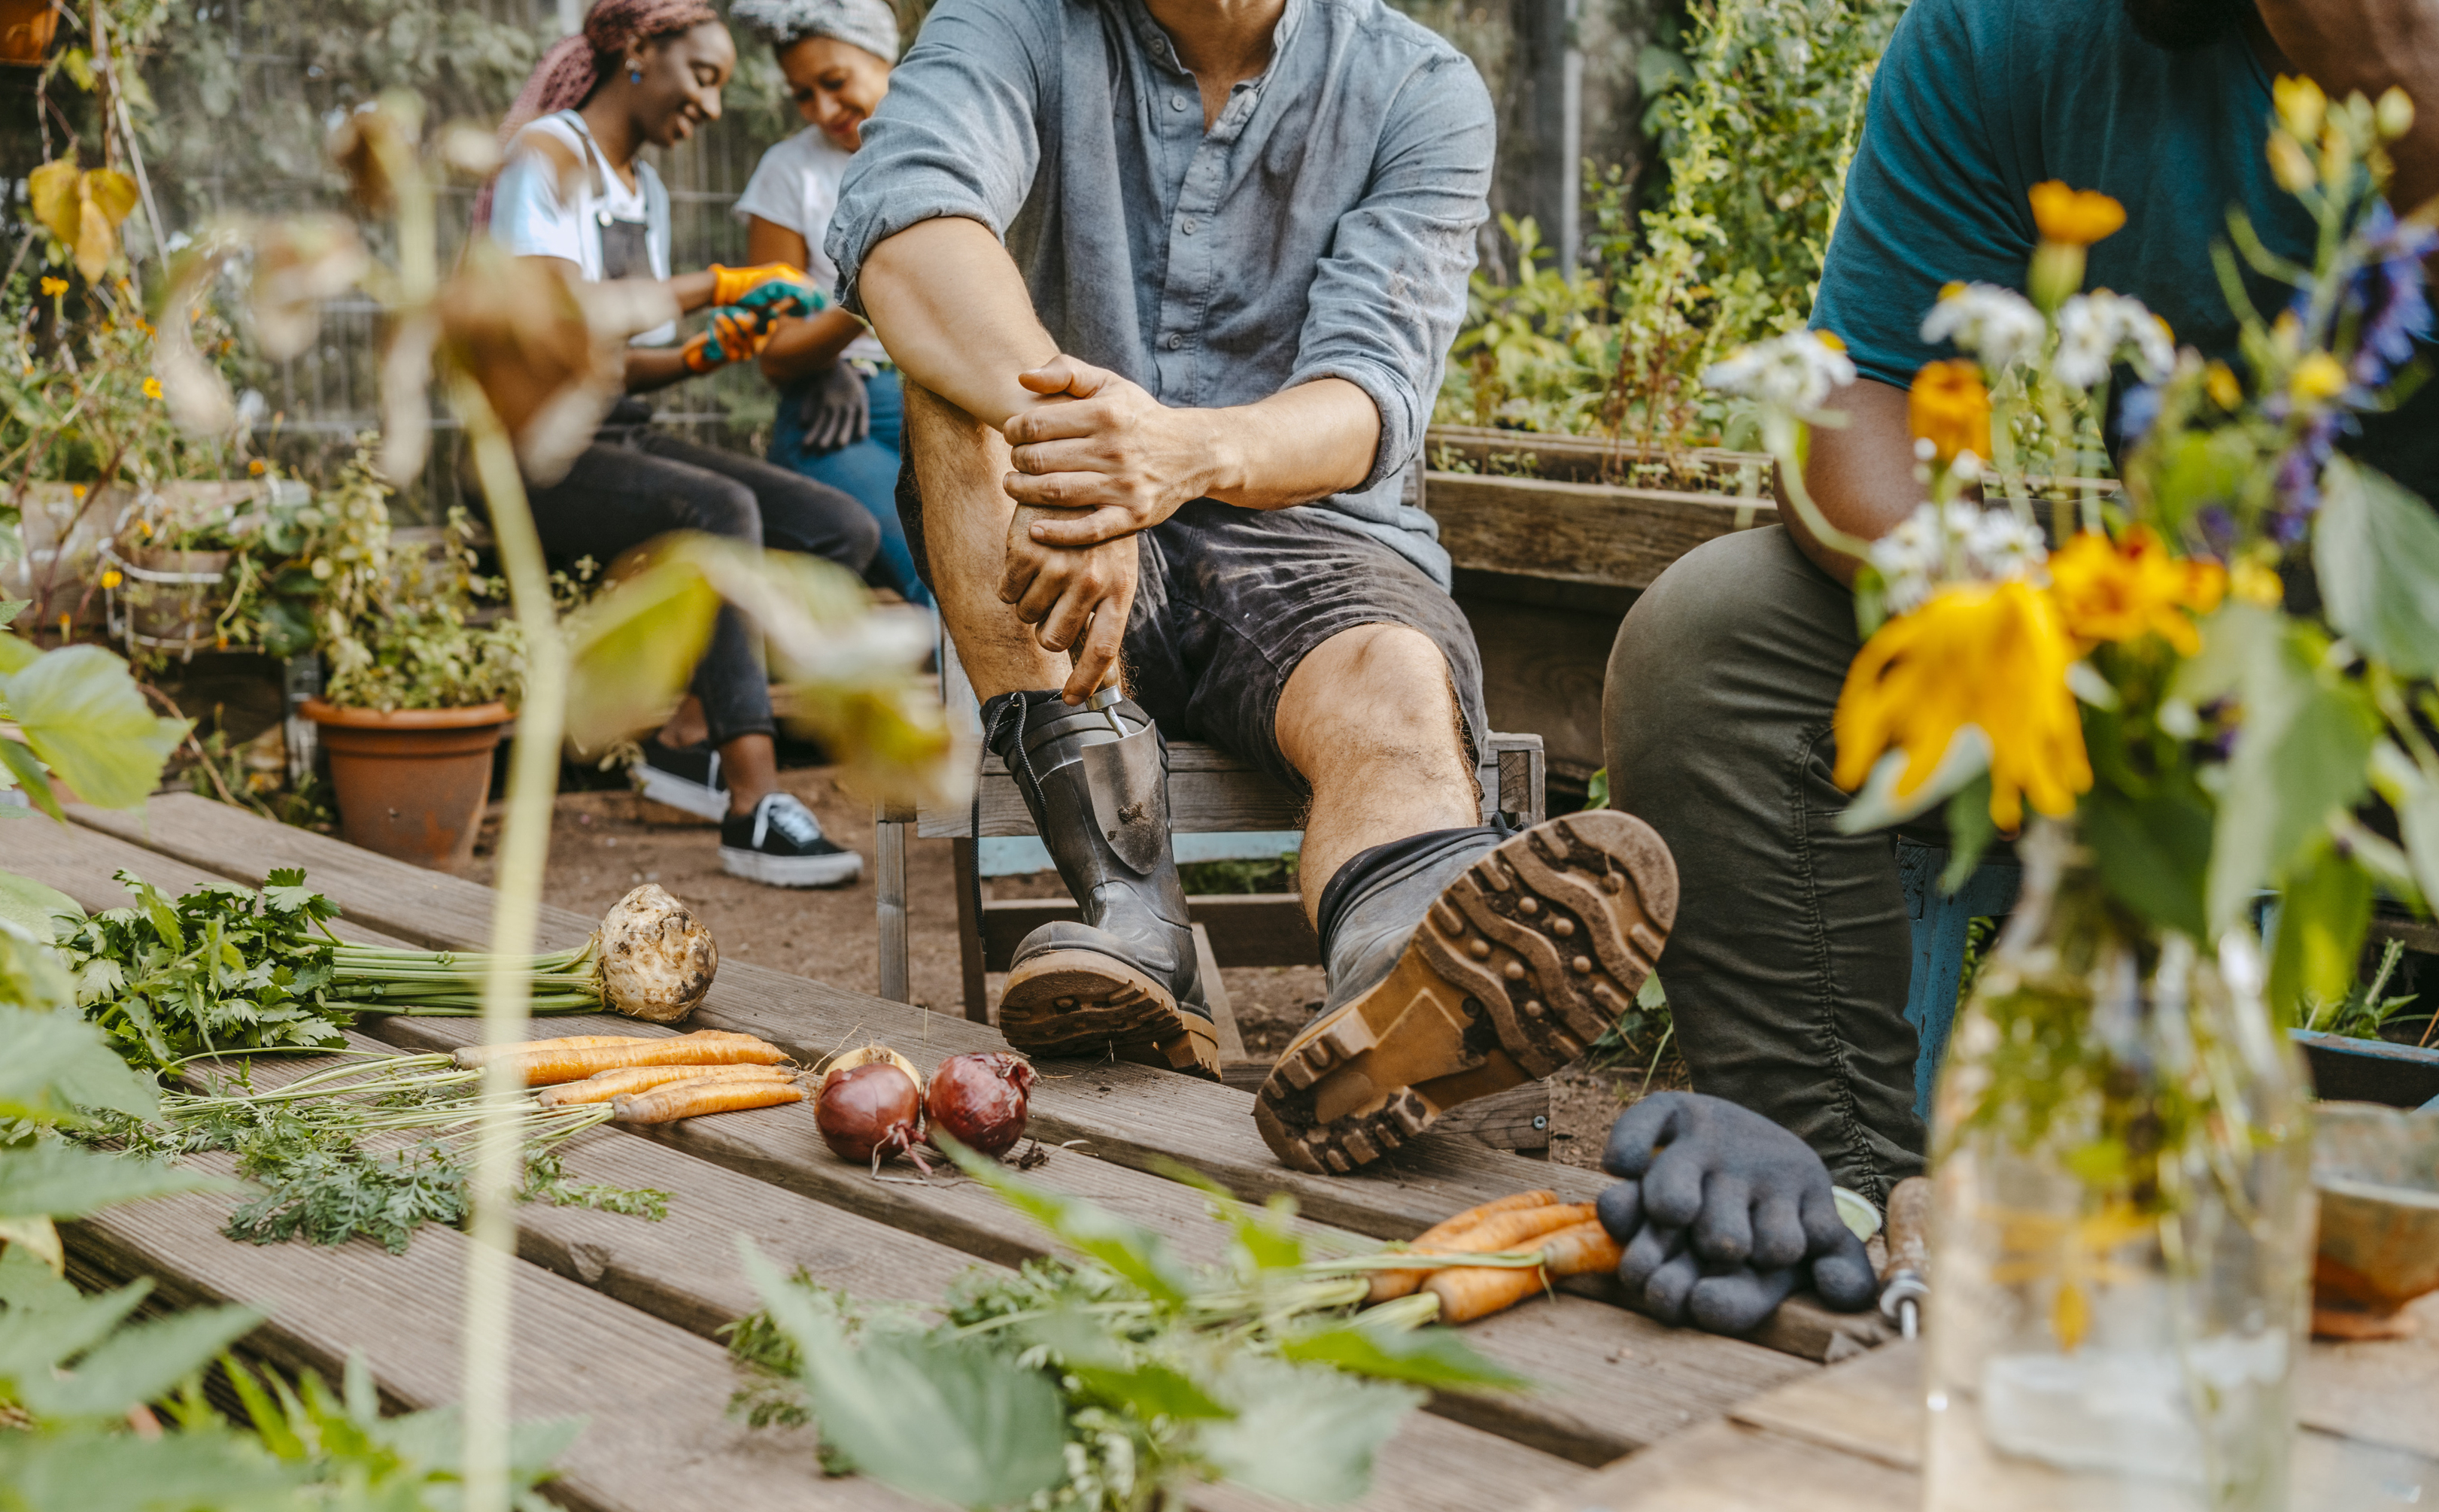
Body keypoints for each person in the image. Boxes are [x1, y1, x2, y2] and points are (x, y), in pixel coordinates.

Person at [1602, 0, 2439, 1210]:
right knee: (1721, 642)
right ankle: (1845, 1227)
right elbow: (1867, 395)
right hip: (2170, 595)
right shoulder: (2011, 25)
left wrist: (2414, 56)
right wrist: (1998, 611)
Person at [829, 0, 1678, 1170]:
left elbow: (1368, 394)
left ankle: (1406, 980)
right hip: (1045, 535)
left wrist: (1180, 455)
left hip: (1308, 532)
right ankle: (1131, 915)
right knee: (949, 392)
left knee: (1388, 679)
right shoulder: (1010, 25)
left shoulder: (1417, 86)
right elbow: (908, 228)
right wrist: (1080, 448)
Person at [487, 0, 871, 887]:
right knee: (719, 507)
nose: (708, 105)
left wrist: (706, 352)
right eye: (702, 75)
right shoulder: (544, 156)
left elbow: (617, 367)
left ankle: (686, 738)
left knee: (835, 529)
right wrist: (717, 285)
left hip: (615, 432)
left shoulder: (645, 188)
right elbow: (566, 335)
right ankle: (753, 806)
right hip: (535, 456)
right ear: (636, 49)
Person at [727, 0, 934, 610]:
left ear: (883, 56)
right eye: (802, 94)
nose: (822, 109)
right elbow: (775, 350)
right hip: (841, 418)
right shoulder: (788, 173)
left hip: (935, 398)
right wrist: (864, 304)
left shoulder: (938, 150)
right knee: (939, 573)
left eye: (834, 82)